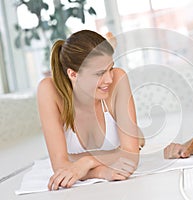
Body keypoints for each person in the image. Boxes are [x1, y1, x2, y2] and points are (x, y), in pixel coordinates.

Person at [37, 30, 144, 191]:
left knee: (139, 140)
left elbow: (131, 156)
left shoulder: (118, 78)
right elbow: (61, 166)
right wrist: (102, 172)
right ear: (73, 74)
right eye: (100, 73)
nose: (109, 79)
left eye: (110, 68)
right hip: (108, 153)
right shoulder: (48, 90)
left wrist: (86, 162)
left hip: (123, 135)